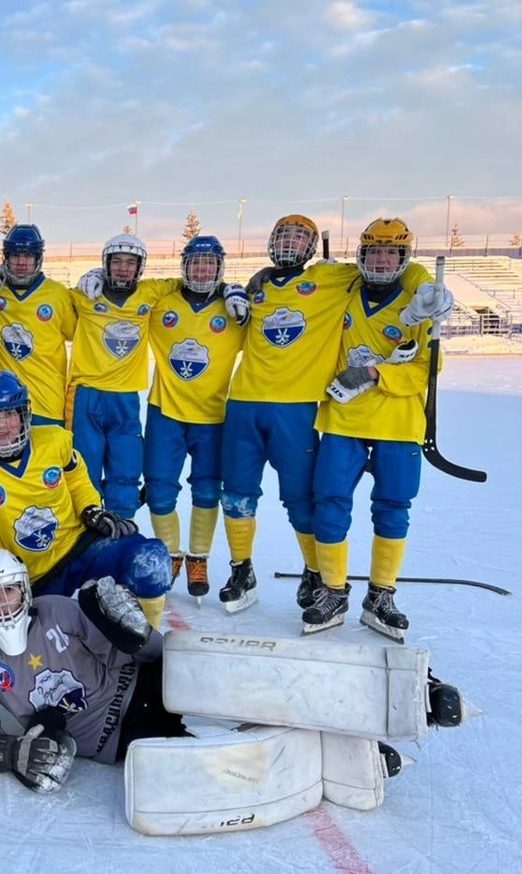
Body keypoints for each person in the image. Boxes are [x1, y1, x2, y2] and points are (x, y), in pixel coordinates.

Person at [304, 218, 453, 638]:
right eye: (374, 251)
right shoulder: (347, 289)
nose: (382, 260)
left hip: (398, 420)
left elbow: (430, 365)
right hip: (342, 416)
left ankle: (381, 594)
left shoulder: (421, 300)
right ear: (361, 255)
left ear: (405, 258)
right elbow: (311, 277)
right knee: (329, 502)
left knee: (393, 508)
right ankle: (332, 589)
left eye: (392, 252)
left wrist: (374, 373)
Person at [0, 370, 173, 625]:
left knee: (149, 560)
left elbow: (76, 479)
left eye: (9, 413)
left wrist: (91, 508)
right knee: (47, 647)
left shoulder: (55, 440)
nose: (1, 424)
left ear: (24, 414)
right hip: (30, 575)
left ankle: (148, 642)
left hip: (78, 546)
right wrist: (9, 584)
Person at [0, 548, 186, 792]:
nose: (2, 603)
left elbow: (146, 654)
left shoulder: (56, 609)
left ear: (23, 588)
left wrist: (137, 635)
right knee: (182, 755)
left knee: (193, 673)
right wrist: (8, 752)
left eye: (8, 590)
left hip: (140, 687)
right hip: (110, 739)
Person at [215, 214, 356, 613]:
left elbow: (387, 270)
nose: (290, 244)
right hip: (243, 403)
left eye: (299, 237)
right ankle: (242, 570)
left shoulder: (331, 280)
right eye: (283, 235)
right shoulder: (257, 289)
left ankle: (314, 570)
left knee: (299, 497)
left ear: (312, 246)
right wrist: (233, 289)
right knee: (237, 494)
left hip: (295, 408)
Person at [142, 236, 247, 602]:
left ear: (221, 268)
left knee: (206, 490)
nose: (202, 270)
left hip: (213, 414)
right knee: (159, 490)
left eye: (210, 263)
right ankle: (170, 554)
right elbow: (127, 298)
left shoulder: (235, 310)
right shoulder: (163, 304)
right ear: (184, 266)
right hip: (166, 411)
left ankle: (198, 558)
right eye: (196, 262)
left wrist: (239, 291)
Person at [67, 234, 159, 518]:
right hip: (87, 394)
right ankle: (86, 540)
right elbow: (43, 296)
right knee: (85, 471)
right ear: (105, 264)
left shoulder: (151, 293)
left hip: (125, 397)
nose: (122, 268)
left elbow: (188, 285)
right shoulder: (85, 295)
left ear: (140, 267)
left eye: (130, 262)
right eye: (116, 261)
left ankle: (122, 535)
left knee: (126, 470)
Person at [0, 224, 79, 426]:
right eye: (15, 255)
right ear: (5, 257)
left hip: (47, 404)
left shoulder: (58, 294)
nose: (22, 262)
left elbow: (84, 332)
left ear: (38, 258)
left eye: (29, 256)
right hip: (2, 406)